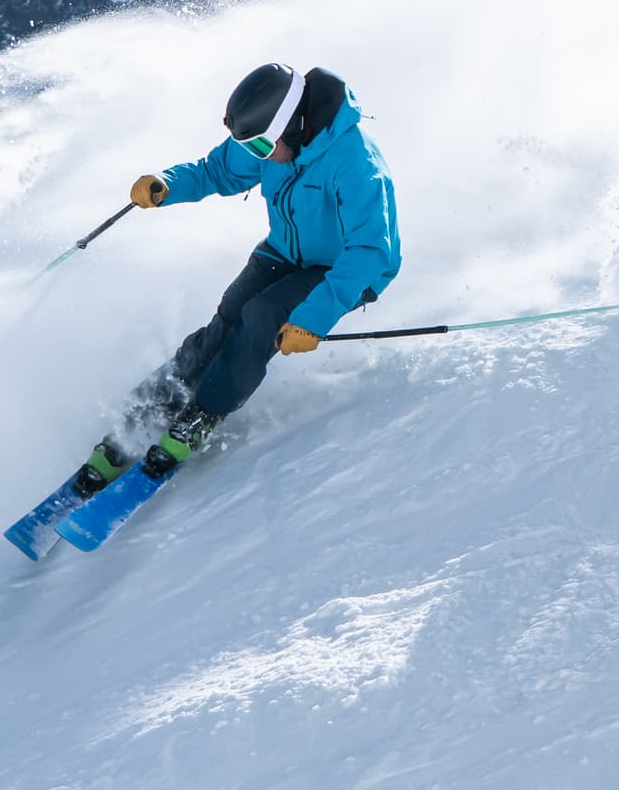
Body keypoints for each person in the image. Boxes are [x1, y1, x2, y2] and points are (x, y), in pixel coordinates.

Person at [81, 61, 403, 489]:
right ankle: (141, 418)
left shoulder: (355, 161)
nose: (259, 155)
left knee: (261, 318)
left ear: (295, 126)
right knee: (229, 316)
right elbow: (217, 170)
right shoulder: (271, 141)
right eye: (251, 147)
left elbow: (369, 250)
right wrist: (167, 185)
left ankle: (201, 416)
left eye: (262, 146)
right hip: (285, 251)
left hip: (344, 269)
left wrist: (313, 319)